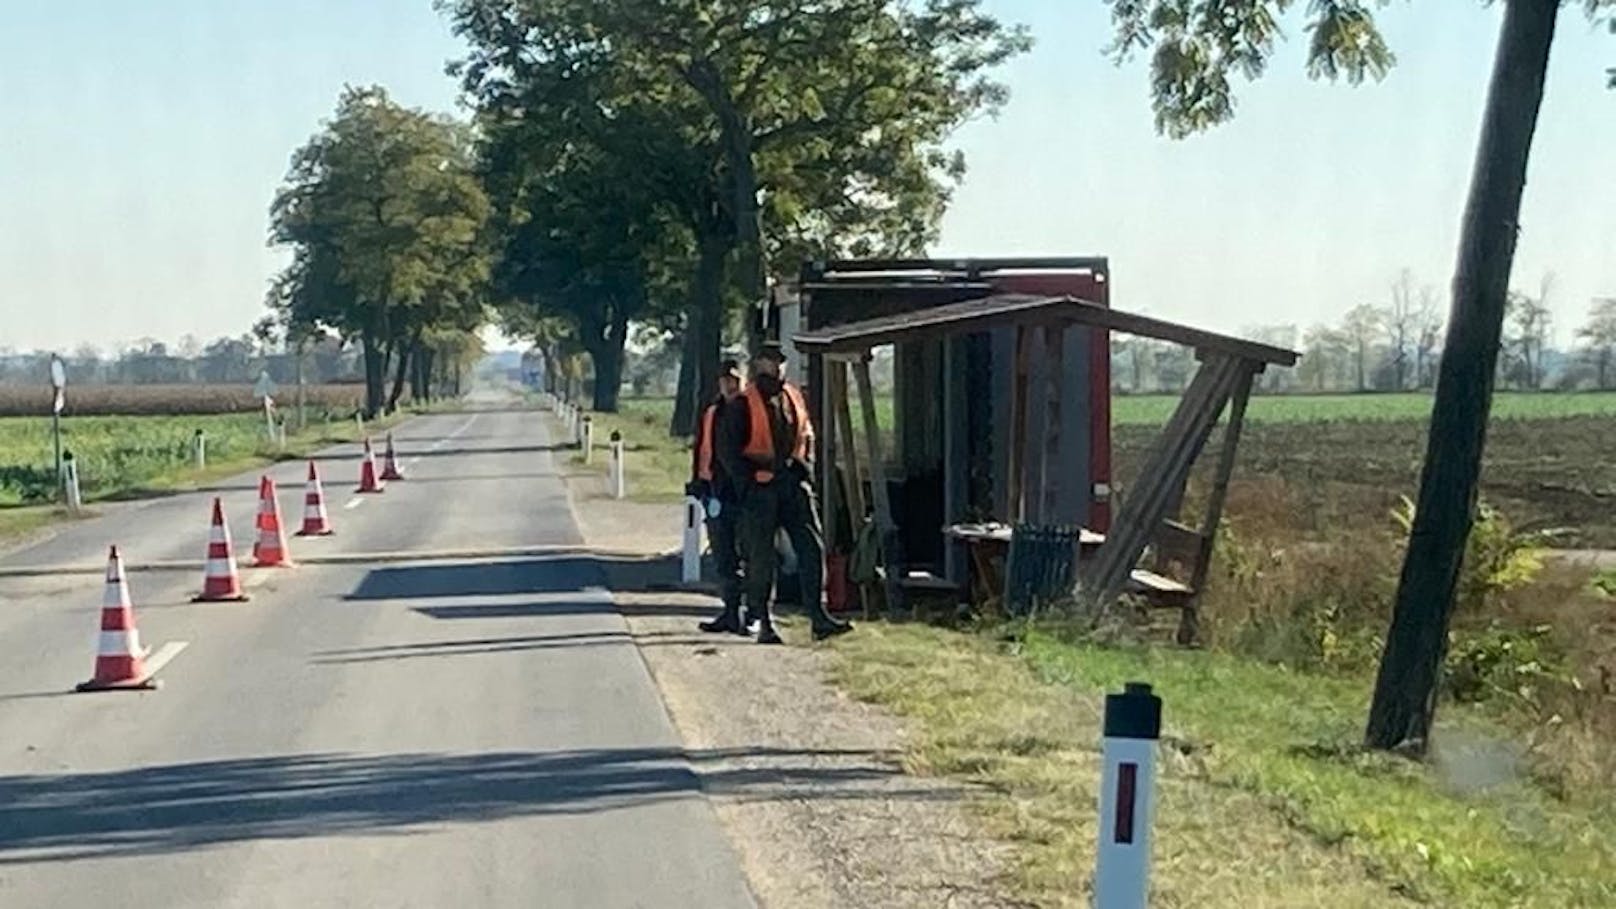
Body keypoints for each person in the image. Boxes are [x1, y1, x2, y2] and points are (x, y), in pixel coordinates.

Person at [716, 341, 852, 644]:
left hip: (793, 484)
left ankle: (819, 616)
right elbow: (727, 451)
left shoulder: (794, 397)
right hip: (760, 489)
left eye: (779, 361)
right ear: (757, 365)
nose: (775, 366)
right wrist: (748, 485)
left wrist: (806, 471)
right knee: (761, 558)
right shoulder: (741, 403)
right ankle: (763, 621)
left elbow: (808, 436)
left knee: (811, 548)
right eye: (768, 360)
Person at [688, 359, 751, 635]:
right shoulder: (712, 412)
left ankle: (752, 613)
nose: (730, 384)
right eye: (726, 380)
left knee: (750, 556)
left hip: (745, 495)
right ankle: (729, 611)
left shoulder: (750, 410)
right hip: (716, 493)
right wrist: (698, 483)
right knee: (723, 556)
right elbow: (702, 449)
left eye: (735, 380)